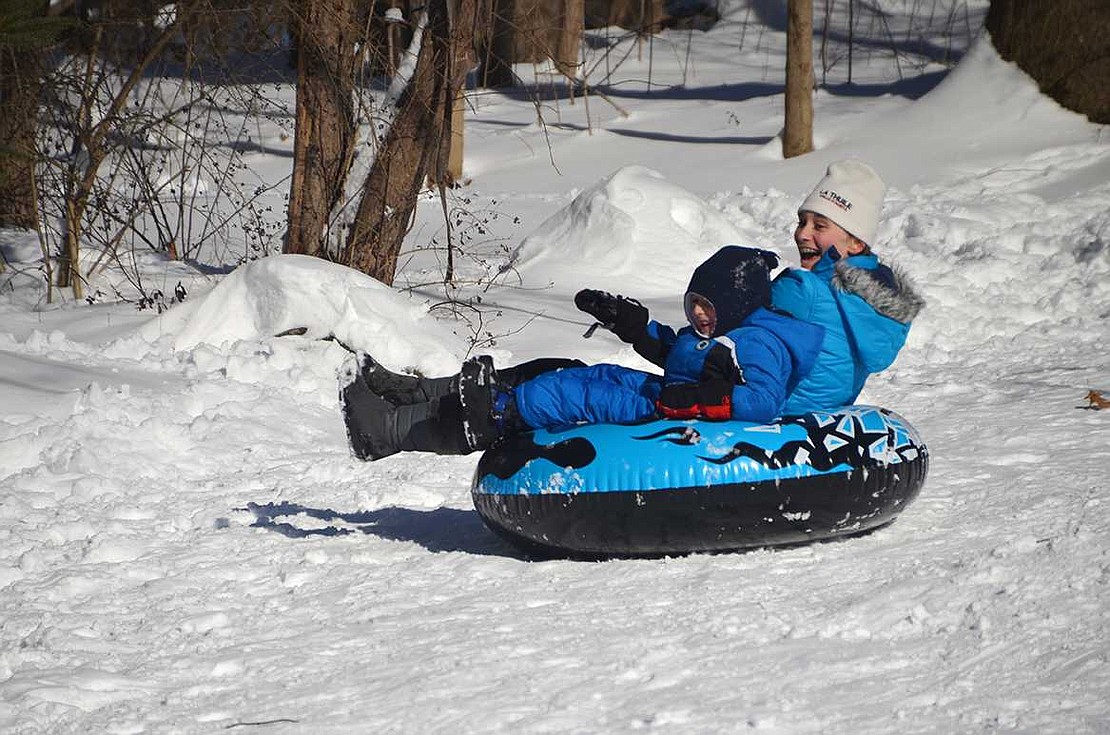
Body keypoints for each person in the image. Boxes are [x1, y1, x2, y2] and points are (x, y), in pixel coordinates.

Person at [341, 246, 824, 461]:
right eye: (694, 304)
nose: (699, 314)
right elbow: (680, 354)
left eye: (708, 306)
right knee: (577, 371)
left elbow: (761, 401)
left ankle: (388, 432)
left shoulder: (758, 342)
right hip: (664, 396)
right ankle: (412, 395)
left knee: (565, 392)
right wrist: (631, 325)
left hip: (673, 414)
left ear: (736, 304)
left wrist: (698, 401)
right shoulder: (723, 331)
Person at [769, 160, 925, 414]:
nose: (802, 234)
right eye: (801, 222)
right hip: (821, 422)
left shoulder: (804, 290)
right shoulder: (873, 298)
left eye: (819, 226)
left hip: (770, 416)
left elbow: (735, 332)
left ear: (854, 242)